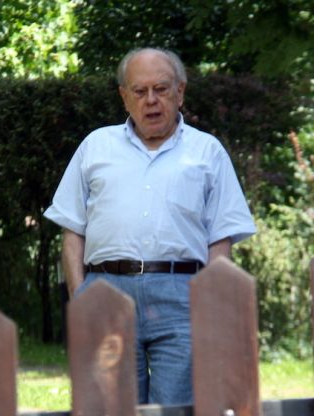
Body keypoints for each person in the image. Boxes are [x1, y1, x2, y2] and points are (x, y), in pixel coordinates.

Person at [44, 47, 256, 405]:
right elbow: (72, 231)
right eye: (140, 92)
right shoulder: (96, 146)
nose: (151, 101)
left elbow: (221, 239)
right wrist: (81, 298)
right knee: (111, 406)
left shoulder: (208, 152)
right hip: (106, 292)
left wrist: (211, 301)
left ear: (180, 92)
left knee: (176, 407)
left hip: (183, 295)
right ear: (124, 97)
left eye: (161, 89)